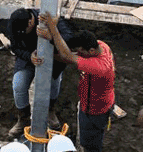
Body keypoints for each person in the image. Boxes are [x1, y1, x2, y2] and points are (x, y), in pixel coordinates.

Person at [39, 15, 114, 152]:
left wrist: (53, 28)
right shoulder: (101, 45)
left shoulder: (99, 67)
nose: (78, 53)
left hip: (94, 111)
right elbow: (69, 55)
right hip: (97, 102)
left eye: (81, 51)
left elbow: (68, 56)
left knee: (90, 143)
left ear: (91, 51)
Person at [6, 8, 72, 138]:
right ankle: (23, 119)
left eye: (24, 31)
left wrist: (52, 36)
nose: (21, 34)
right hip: (28, 59)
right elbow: (15, 47)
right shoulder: (15, 24)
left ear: (31, 22)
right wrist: (28, 56)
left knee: (54, 83)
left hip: (53, 60)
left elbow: (68, 41)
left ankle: (50, 110)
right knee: (18, 85)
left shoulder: (51, 21)